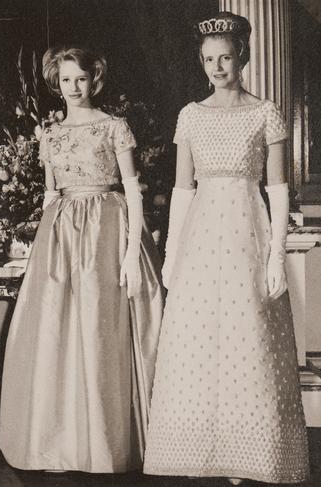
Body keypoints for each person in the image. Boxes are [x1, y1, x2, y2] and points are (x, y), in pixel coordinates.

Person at [143, 12, 309, 485]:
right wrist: (172, 254)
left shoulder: (264, 113)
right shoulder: (191, 115)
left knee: (247, 337)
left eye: (226, 57)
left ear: (244, 57)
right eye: (209, 60)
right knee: (197, 337)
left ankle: (250, 453)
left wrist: (276, 254)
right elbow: (181, 190)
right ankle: (201, 448)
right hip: (200, 236)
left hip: (246, 232)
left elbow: (278, 189)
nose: (218, 67)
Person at [0, 46, 164, 473]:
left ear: (95, 80)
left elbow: (132, 190)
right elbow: (51, 193)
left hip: (107, 230)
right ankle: (63, 443)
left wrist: (131, 251)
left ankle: (108, 443)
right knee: (57, 330)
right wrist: (39, 248)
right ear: (57, 83)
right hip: (61, 235)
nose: (74, 87)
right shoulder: (50, 134)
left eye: (82, 79)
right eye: (67, 80)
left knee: (99, 328)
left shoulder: (114, 127)